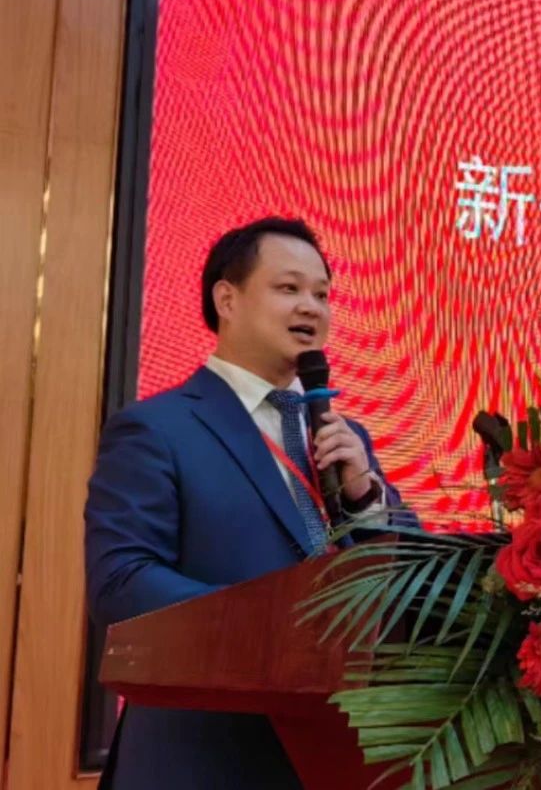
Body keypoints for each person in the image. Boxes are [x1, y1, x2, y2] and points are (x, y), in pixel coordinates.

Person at [84, 216, 416, 789]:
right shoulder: (157, 429)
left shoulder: (344, 438)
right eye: (289, 288)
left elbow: (415, 579)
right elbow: (121, 583)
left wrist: (365, 498)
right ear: (227, 300)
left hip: (335, 756)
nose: (311, 307)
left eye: (322, 295)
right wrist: (276, 633)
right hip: (203, 758)